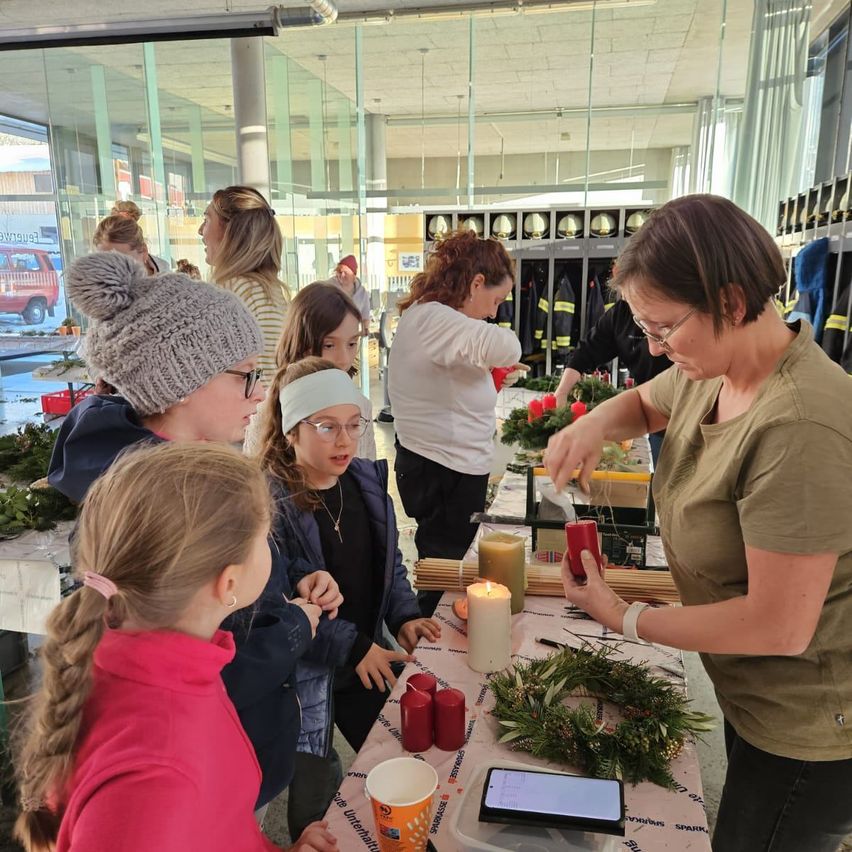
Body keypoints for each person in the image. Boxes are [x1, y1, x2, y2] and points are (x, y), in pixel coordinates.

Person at [544, 194, 852, 852]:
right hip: (749, 693)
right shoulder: (710, 369)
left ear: (732, 303)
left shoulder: (799, 424)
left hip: (813, 727)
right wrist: (594, 423)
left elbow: (779, 624)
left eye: (663, 329)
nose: (651, 347)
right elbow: (646, 402)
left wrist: (622, 616)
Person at [46, 250, 342, 813]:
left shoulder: (192, 471)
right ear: (183, 382)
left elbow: (240, 590)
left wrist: (296, 582)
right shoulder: (164, 506)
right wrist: (295, 627)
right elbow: (184, 677)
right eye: (245, 376)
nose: (260, 394)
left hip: (231, 752)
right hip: (202, 769)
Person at [15, 442, 337, 852]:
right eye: (265, 539)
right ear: (230, 583)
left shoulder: (162, 662)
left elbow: (215, 831)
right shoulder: (156, 771)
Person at [256, 356, 441, 839]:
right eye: (327, 427)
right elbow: (275, 606)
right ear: (291, 430)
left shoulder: (365, 483)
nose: (345, 441)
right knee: (316, 793)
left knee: (397, 760)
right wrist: (351, 646)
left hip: (367, 657)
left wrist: (404, 615)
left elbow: (390, 565)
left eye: (355, 425)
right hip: (306, 677)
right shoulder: (268, 506)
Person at [388, 229, 523, 614]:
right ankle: (429, 648)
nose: (495, 312)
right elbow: (507, 346)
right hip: (443, 471)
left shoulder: (434, 320)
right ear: (476, 282)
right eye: (496, 299)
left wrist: (490, 378)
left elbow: (448, 389)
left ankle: (434, 641)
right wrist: (497, 357)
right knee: (443, 578)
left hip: (444, 467)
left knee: (446, 569)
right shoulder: (434, 318)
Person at [244, 281, 377, 459]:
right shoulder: (267, 409)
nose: (344, 359)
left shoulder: (361, 406)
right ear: (301, 343)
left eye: (352, 343)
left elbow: (369, 476)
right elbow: (254, 479)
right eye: (329, 345)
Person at [552, 298, 670, 463]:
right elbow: (587, 351)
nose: (654, 349)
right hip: (656, 414)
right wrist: (562, 391)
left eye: (662, 330)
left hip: (684, 416)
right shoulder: (621, 312)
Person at [199, 186, 289, 375]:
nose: (201, 231)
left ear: (230, 232)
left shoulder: (235, 292)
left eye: (206, 220)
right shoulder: (265, 290)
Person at [93, 208, 169, 276]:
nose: (114, 270)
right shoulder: (93, 283)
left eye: (124, 262)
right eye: (106, 262)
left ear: (144, 251)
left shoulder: (169, 281)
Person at [323, 255, 370, 333]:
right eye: (340, 272)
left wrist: (365, 328)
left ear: (354, 275)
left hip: (352, 334)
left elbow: (365, 315)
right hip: (332, 333)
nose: (342, 275)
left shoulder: (362, 293)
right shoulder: (328, 287)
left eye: (346, 273)